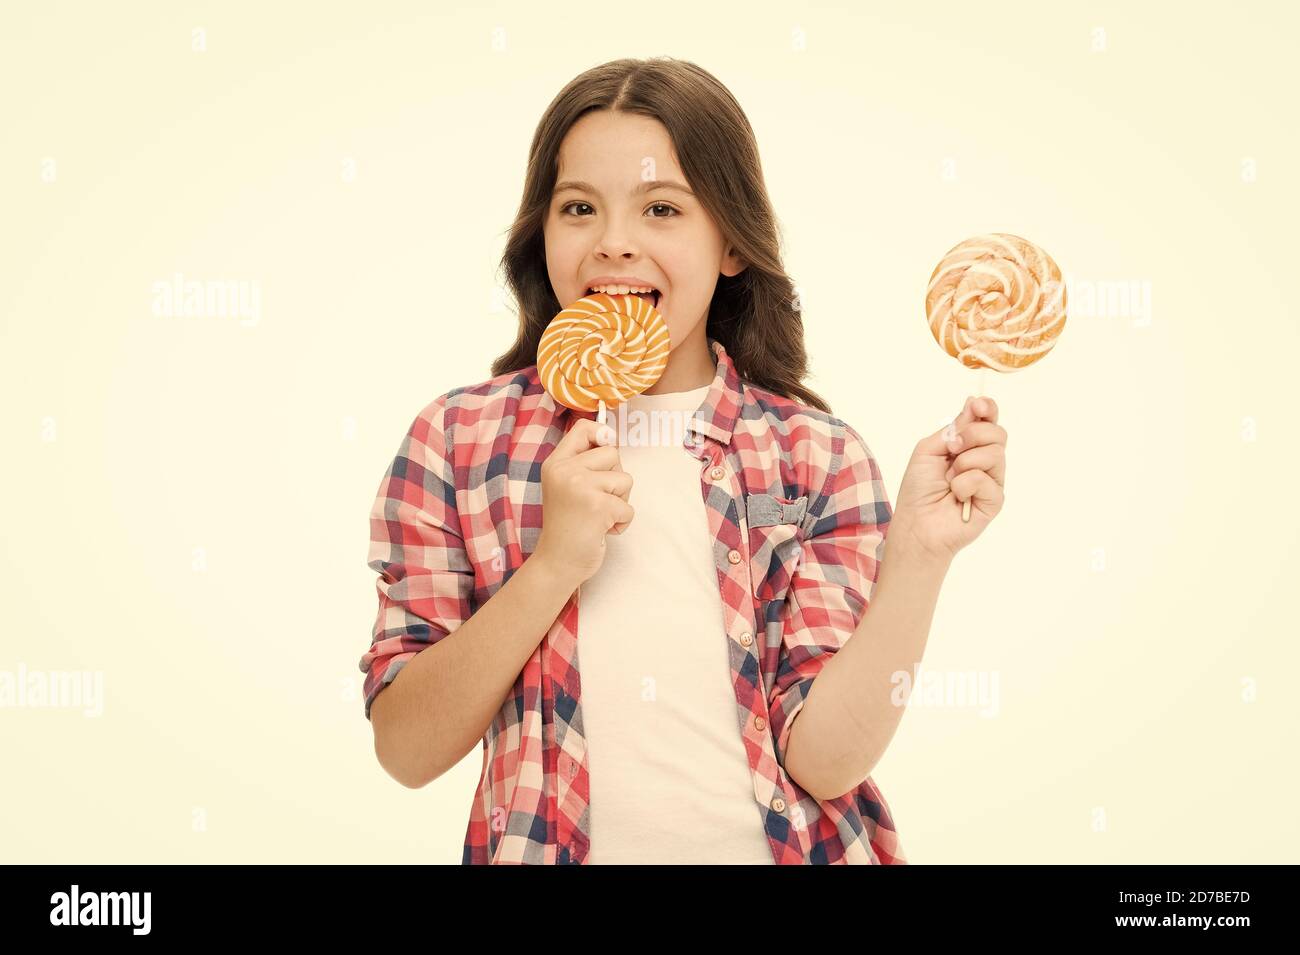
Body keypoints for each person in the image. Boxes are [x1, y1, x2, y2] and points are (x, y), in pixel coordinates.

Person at [359, 57, 1008, 864]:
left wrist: (918, 556)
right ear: (544, 232)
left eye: (661, 207)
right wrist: (553, 562)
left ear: (731, 242)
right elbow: (405, 749)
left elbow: (826, 758)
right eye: (579, 208)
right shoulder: (457, 441)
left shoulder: (816, 453)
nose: (614, 243)